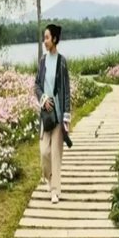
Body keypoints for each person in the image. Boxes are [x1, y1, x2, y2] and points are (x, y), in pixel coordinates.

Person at [34, 23, 71, 204]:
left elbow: (66, 90)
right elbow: (37, 85)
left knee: (56, 153)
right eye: (44, 38)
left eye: (47, 38)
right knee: (44, 153)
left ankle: (55, 190)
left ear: (54, 39)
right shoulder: (42, 61)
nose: (45, 41)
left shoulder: (62, 61)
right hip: (45, 115)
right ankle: (48, 178)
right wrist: (43, 99)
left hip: (58, 114)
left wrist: (66, 117)